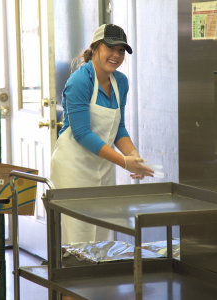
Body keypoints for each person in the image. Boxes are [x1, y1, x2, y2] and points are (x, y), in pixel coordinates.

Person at [50, 22, 153, 249]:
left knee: (102, 233)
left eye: (121, 51)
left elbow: (118, 128)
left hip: (103, 167)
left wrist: (134, 157)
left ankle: (98, 283)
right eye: (111, 48)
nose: (116, 55)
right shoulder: (80, 81)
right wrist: (124, 162)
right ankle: (74, 282)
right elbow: (81, 133)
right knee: (76, 236)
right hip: (73, 170)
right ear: (95, 48)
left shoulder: (120, 82)